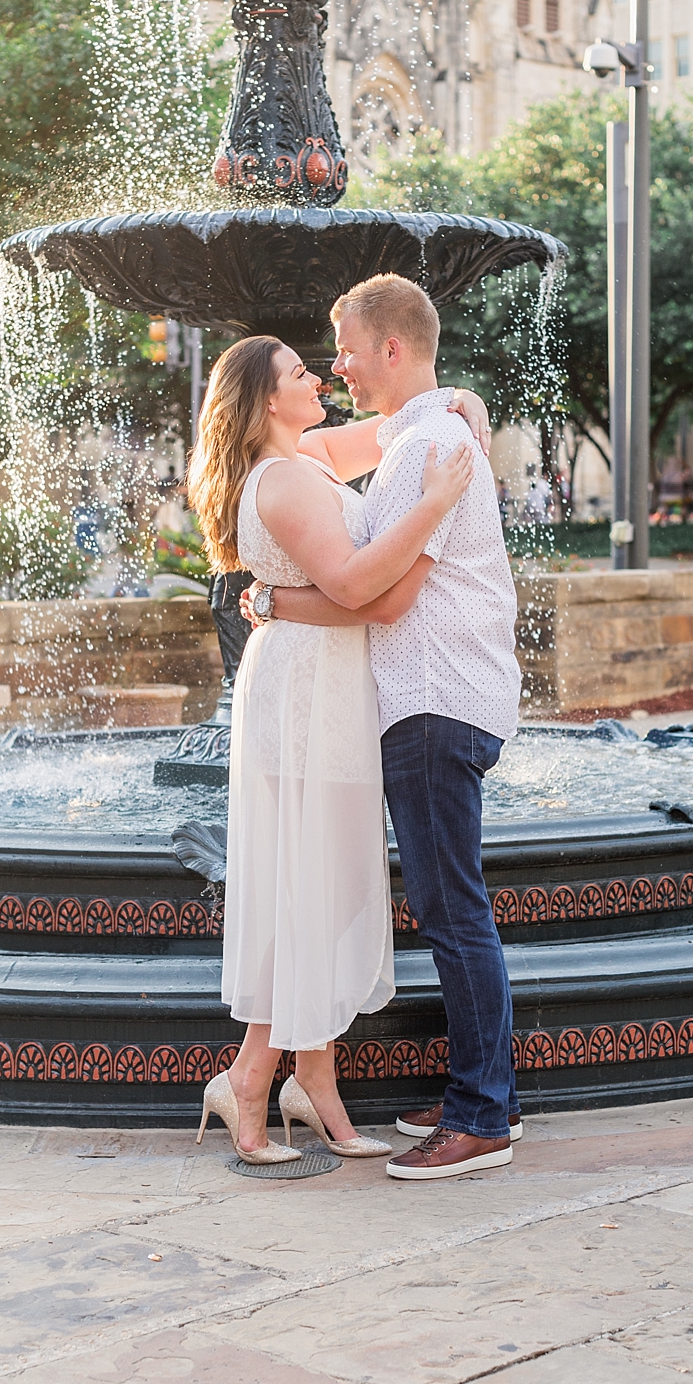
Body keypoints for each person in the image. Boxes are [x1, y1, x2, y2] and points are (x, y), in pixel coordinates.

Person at [243, 274, 523, 1181]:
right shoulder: (420, 436)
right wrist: (458, 396)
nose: (338, 367)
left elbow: (386, 595)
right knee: (450, 906)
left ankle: (483, 1117)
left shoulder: (422, 452)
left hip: (435, 701)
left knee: (453, 912)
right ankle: (470, 1092)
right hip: (435, 700)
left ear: (391, 350)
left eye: (349, 350)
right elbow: (330, 451)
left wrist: (275, 597)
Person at [185, 332, 484, 1164]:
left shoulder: (311, 452)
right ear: (263, 403)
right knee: (303, 883)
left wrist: (465, 404)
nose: (315, 377)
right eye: (295, 374)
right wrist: (432, 507)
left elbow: (397, 422)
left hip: (331, 681)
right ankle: (250, 1078)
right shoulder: (280, 479)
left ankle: (313, 1078)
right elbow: (357, 590)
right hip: (305, 690)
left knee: (322, 882)